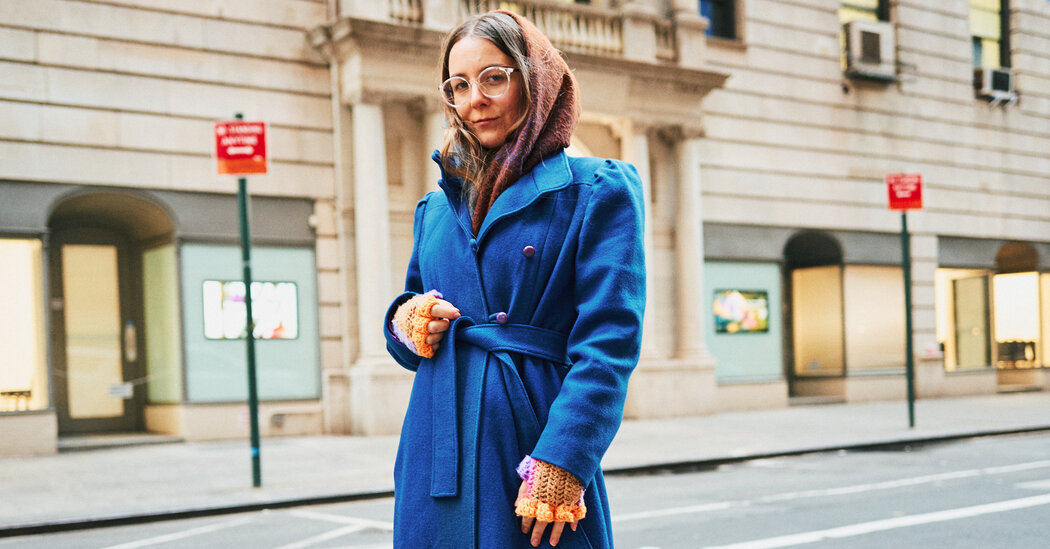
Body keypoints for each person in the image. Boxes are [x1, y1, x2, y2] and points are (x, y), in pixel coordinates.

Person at [383, 9, 645, 548]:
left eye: (493, 77)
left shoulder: (596, 190)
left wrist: (564, 459)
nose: (473, 99)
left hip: (533, 449)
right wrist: (405, 320)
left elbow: (609, 342)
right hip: (436, 448)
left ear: (535, 78)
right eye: (457, 85)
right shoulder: (435, 205)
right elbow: (410, 317)